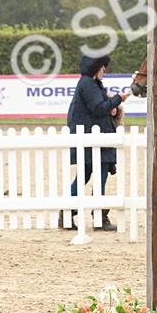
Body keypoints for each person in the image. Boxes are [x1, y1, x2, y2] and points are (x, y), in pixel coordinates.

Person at [61, 54, 131, 231]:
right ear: (94, 68)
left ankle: (67, 213)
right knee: (99, 178)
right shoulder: (89, 84)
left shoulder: (90, 83)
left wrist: (112, 109)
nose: (104, 69)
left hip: (91, 138)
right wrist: (118, 99)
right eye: (101, 67)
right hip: (94, 140)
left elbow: (98, 108)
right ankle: (99, 218)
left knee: (84, 177)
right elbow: (98, 108)